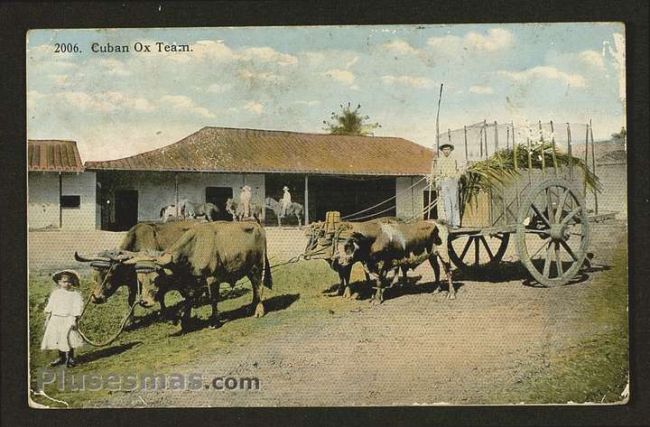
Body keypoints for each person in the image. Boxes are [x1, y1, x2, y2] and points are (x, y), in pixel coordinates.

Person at [41, 270, 85, 368]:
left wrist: (74, 318)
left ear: (72, 282)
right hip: (56, 318)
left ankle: (70, 358)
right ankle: (61, 357)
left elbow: (77, 307)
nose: (67, 284)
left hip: (68, 318)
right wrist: (47, 319)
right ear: (59, 282)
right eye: (64, 282)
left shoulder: (75, 294)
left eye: (69, 281)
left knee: (68, 338)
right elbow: (50, 306)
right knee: (58, 338)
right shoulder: (55, 293)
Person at [434, 143, 461, 228]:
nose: (446, 151)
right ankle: (449, 222)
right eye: (444, 149)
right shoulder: (440, 160)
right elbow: (437, 173)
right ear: (442, 151)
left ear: (450, 150)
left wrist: (456, 178)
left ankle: (456, 223)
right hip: (444, 181)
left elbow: (460, 170)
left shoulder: (454, 159)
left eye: (448, 149)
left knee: (454, 203)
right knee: (446, 203)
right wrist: (438, 182)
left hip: (453, 181)